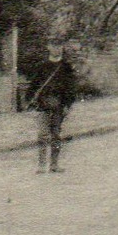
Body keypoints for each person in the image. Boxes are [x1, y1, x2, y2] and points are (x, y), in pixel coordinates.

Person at [25, 41, 82, 174]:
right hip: (43, 105)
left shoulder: (66, 67)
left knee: (56, 135)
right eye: (54, 46)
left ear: (62, 48)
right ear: (48, 47)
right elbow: (34, 85)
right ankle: (41, 165)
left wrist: (68, 105)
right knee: (42, 135)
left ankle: (54, 165)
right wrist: (29, 100)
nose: (57, 49)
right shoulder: (42, 66)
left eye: (59, 46)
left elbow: (71, 89)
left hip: (59, 105)